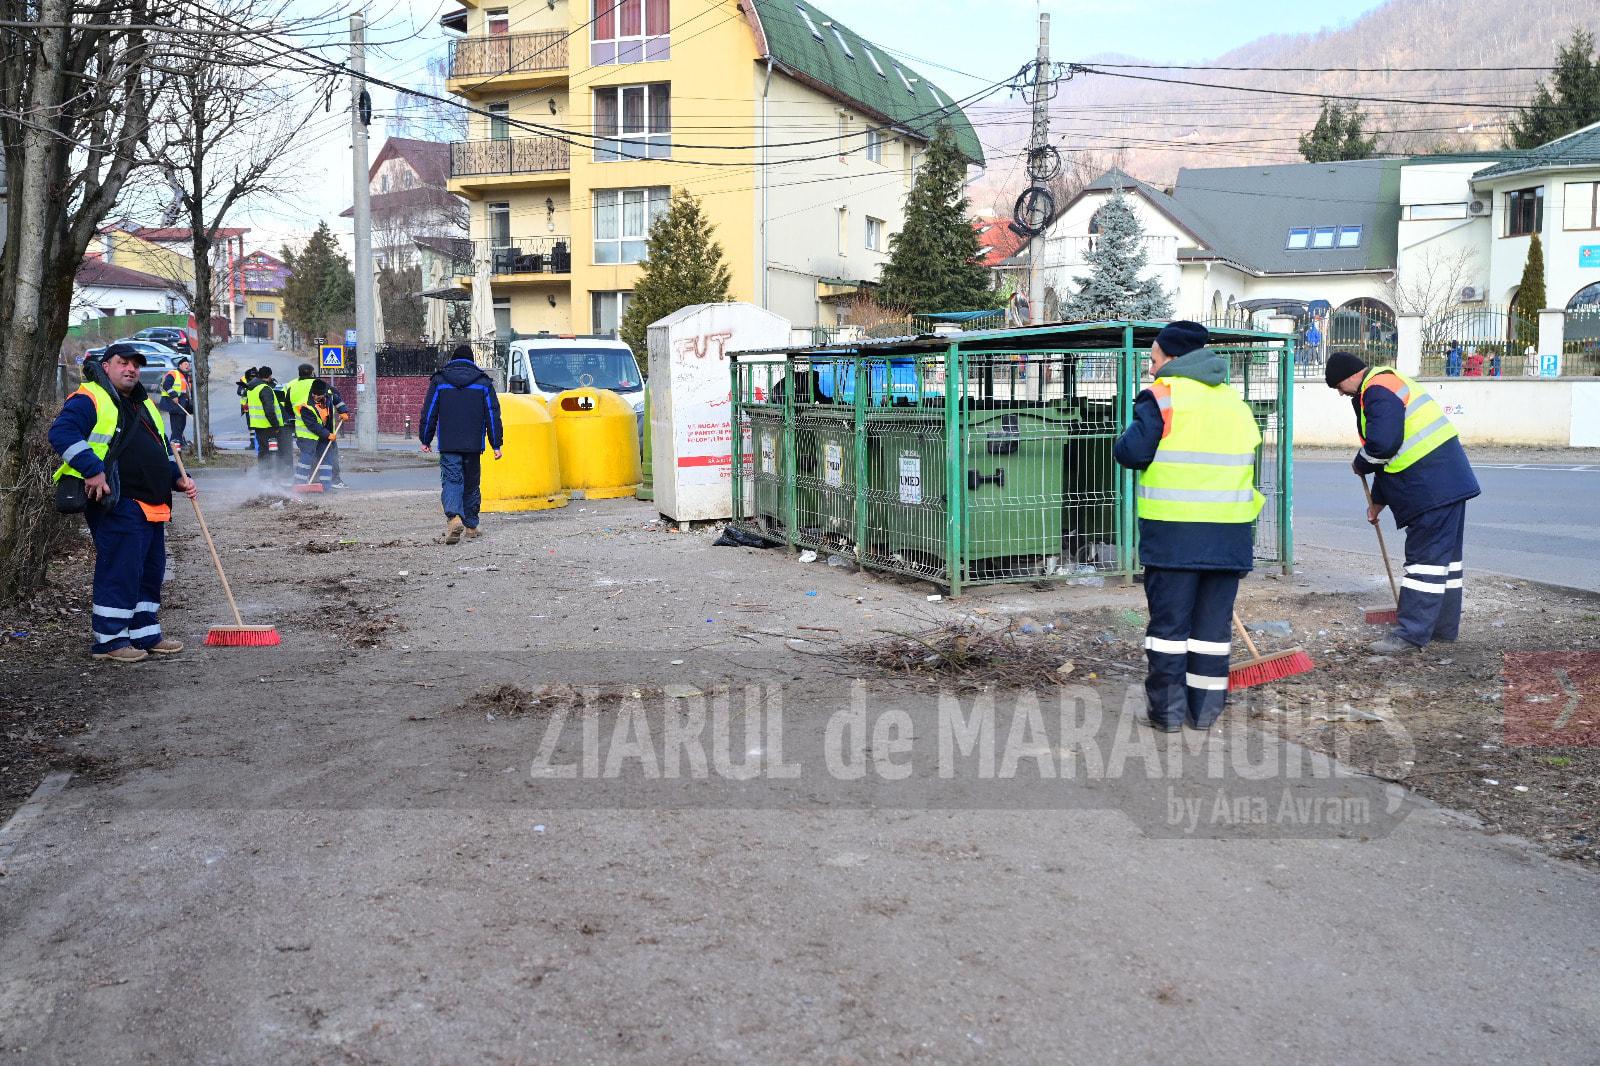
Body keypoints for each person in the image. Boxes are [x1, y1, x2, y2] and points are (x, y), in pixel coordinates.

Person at [1114, 321, 1264, 733]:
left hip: (1175, 539)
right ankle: (1205, 712)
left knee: (1168, 631)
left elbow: (1130, 452)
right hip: (1230, 536)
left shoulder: (1163, 396)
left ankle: (1167, 713)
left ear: (1174, 359)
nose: (1150, 368)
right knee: (1211, 633)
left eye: (1154, 359)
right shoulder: (1235, 402)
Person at [49, 344, 198, 663]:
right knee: (121, 568)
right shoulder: (88, 398)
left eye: (135, 365)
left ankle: (145, 633)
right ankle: (110, 640)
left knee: (149, 570)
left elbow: (161, 451)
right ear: (106, 366)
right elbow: (61, 433)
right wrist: (91, 469)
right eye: (123, 363)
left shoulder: (143, 404)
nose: (130, 369)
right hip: (116, 500)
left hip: (152, 503)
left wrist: (177, 478)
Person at [1324, 351, 1480, 655]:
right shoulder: (1389, 383)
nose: (1340, 393)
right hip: (1446, 484)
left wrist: (1360, 463)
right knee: (1444, 564)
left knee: (1424, 562)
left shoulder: (1376, 390)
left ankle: (1410, 634)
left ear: (1347, 376)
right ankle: (1441, 628)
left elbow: (1383, 445)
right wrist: (1378, 502)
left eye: (1338, 386)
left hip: (1430, 489)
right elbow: (1396, 455)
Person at [419, 343, 503, 544]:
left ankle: (454, 518)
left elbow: (429, 411)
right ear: (471, 361)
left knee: (452, 479)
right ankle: (472, 526)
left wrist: (425, 438)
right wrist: (496, 444)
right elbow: (493, 414)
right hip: (474, 444)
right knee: (471, 483)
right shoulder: (483, 382)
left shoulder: (440, 380)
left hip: (449, 443)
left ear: (453, 359)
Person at [293, 380, 336, 491]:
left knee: (326, 459)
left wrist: (343, 410)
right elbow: (313, 425)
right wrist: (328, 434)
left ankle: (326, 486)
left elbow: (337, 399)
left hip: (323, 435)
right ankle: (299, 485)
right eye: (314, 394)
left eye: (319, 395)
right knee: (306, 459)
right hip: (308, 436)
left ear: (324, 393)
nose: (316, 396)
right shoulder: (305, 405)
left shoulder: (329, 396)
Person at [243, 367, 281, 473]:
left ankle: (263, 475)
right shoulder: (265, 389)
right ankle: (268, 476)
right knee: (270, 452)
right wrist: (276, 425)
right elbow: (269, 410)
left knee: (263, 451)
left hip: (257, 424)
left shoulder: (252, 387)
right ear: (268, 376)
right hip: (267, 425)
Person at [157, 355, 194, 448]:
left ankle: (179, 440)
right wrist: (173, 396)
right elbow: (166, 385)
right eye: (185, 364)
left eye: (188, 364)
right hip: (174, 403)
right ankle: (175, 442)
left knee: (181, 423)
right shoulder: (174, 373)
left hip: (183, 403)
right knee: (177, 423)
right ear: (180, 365)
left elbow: (188, 391)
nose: (187, 365)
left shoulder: (187, 376)